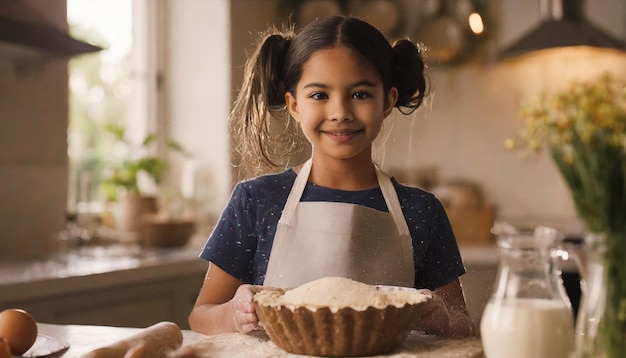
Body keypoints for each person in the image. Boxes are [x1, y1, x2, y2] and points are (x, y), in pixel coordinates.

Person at [189, 15, 476, 337]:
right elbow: (201, 315)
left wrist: (439, 317)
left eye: (360, 94)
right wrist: (234, 313)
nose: (340, 112)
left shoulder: (422, 211)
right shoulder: (256, 200)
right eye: (319, 95)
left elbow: (463, 325)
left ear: (388, 101)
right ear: (294, 105)